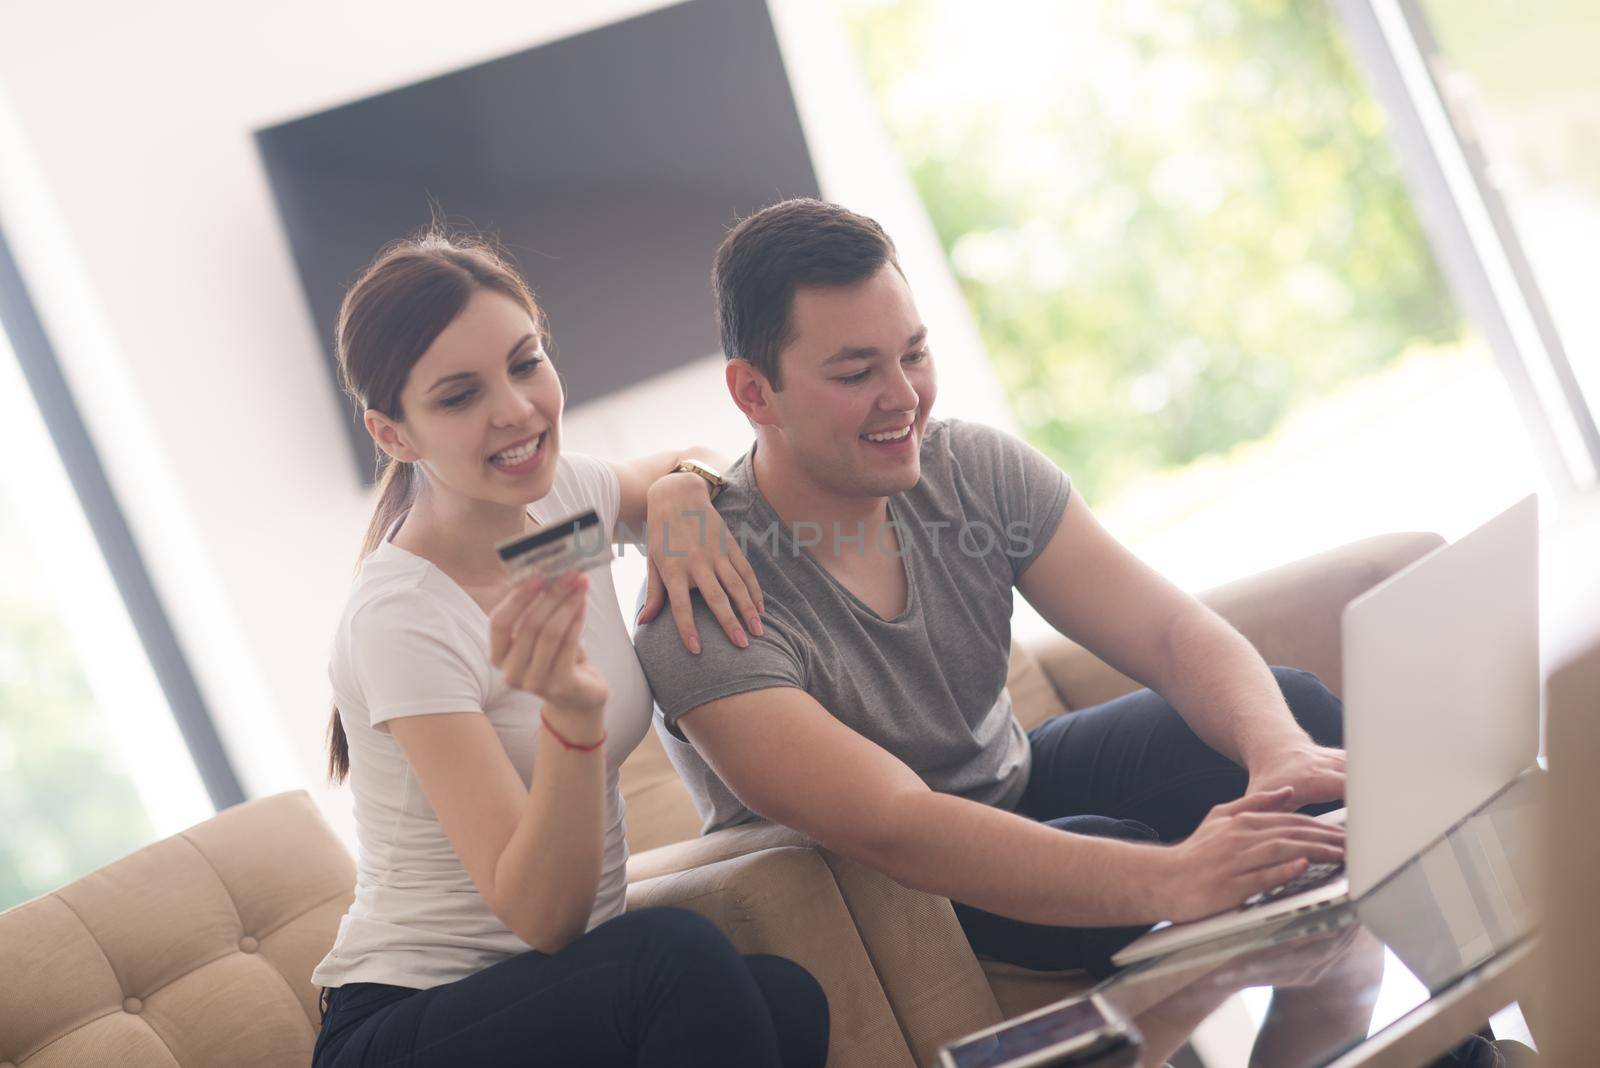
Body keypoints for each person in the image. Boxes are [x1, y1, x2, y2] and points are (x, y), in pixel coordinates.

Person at [632, 198, 1348, 977]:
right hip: (900, 891)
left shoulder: (971, 469)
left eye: (912, 353)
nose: (903, 396)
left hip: (1019, 781)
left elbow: (1172, 634)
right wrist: (1182, 875)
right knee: (1120, 856)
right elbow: (895, 825)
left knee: (1296, 714)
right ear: (754, 394)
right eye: (856, 372)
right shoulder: (701, 602)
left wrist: (1278, 753)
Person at [309, 230, 828, 1068]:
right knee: (678, 961)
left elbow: (683, 460)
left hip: (562, 992)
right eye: (458, 395)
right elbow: (542, 918)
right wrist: (573, 716)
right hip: (411, 1019)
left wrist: (682, 489)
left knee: (783, 998)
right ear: (394, 434)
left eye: (526, 362)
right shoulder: (402, 618)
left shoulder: (562, 505)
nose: (515, 408)